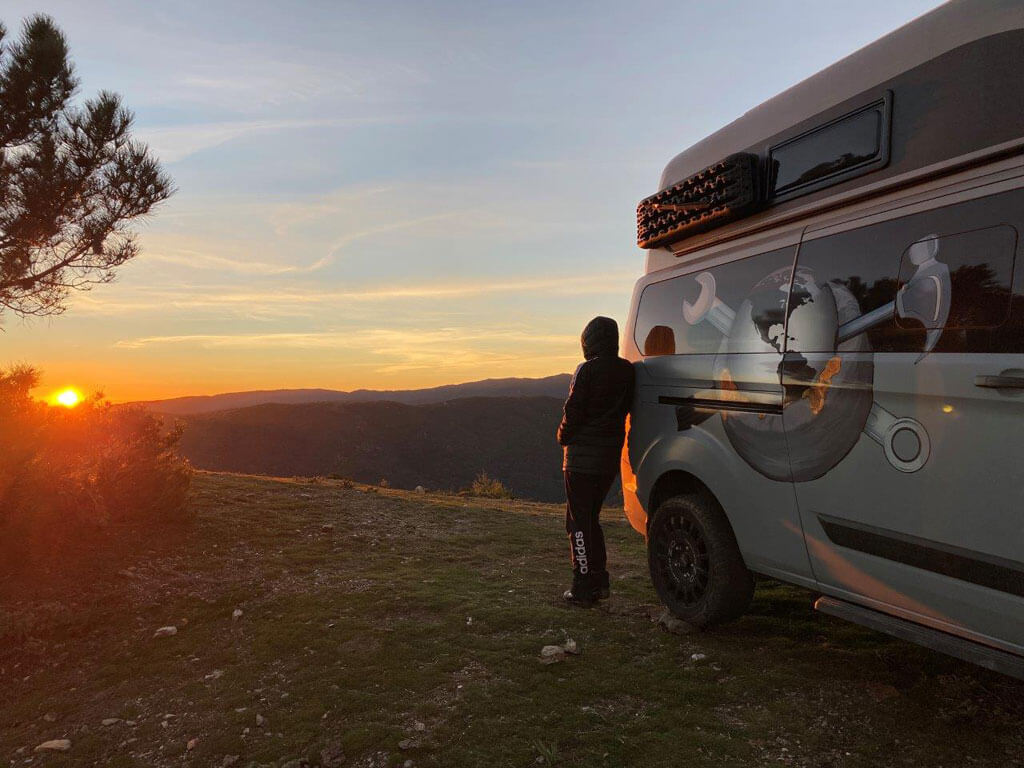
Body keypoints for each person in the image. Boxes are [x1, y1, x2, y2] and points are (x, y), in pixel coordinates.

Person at [557, 316, 635, 607]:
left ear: (588, 342)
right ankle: (600, 581)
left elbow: (573, 410)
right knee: (592, 519)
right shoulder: (627, 371)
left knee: (577, 522)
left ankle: (582, 586)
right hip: (608, 460)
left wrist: (562, 436)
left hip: (580, 461)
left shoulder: (586, 370)